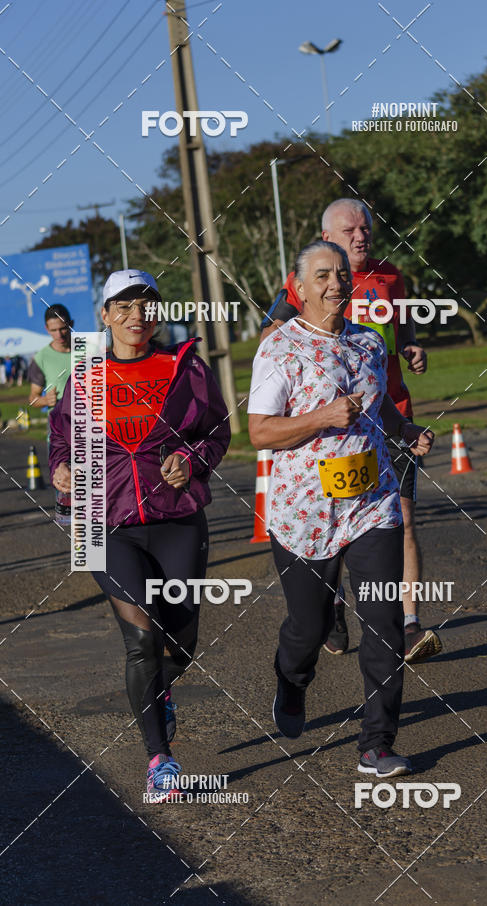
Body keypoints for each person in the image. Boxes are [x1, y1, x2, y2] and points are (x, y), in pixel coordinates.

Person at [249, 241, 434, 776]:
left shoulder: (370, 344)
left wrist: (406, 431)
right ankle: (292, 679)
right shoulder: (279, 348)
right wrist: (321, 417)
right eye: (323, 276)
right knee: (307, 629)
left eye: (342, 276)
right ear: (298, 287)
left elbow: (382, 412)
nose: (336, 285)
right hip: (304, 513)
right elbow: (260, 431)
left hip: (372, 506)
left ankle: (377, 743)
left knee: (383, 621)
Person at [49, 269, 231, 803]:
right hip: (104, 524)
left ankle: (163, 688)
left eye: (146, 305)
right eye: (122, 307)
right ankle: (159, 760)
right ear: (104, 317)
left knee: (180, 640)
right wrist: (62, 470)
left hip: (176, 517)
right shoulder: (84, 377)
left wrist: (190, 459)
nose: (136, 317)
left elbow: (216, 431)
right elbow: (61, 439)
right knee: (141, 641)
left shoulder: (184, 367)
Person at [260, 198, 441, 664]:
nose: (360, 236)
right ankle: (333, 609)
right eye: (349, 231)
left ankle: (409, 623)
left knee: (397, 519)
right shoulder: (312, 277)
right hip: (325, 435)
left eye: (366, 228)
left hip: (387, 418)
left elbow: (402, 336)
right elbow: (272, 337)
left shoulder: (391, 278)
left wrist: (413, 349)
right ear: (327, 239)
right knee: (333, 529)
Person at [28, 303, 73, 410]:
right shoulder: (41, 358)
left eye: (62, 328)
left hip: (89, 420)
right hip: (58, 423)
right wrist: (45, 400)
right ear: (47, 329)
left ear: (71, 324)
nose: (59, 335)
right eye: (53, 330)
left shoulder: (91, 350)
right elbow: (33, 398)